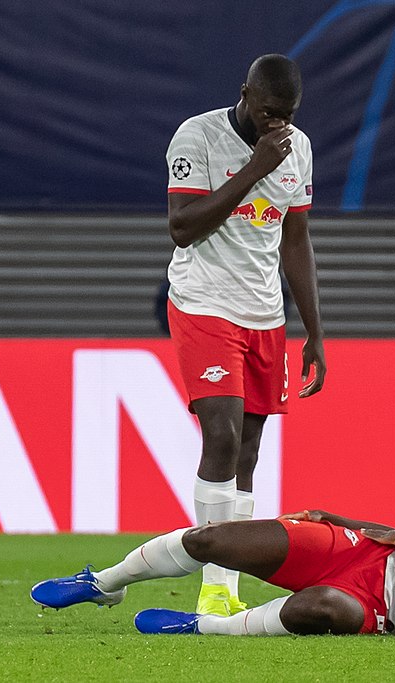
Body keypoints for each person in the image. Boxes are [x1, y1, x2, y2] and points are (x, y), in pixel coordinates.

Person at [163, 53, 326, 617]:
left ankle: (227, 587)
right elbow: (182, 228)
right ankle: (212, 588)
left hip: (265, 315)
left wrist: (314, 332)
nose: (276, 123)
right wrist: (254, 168)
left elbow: (296, 240)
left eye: (287, 114)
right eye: (267, 111)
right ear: (245, 95)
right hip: (203, 303)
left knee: (249, 450)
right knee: (223, 437)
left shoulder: (297, 149)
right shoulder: (198, 137)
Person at [30, 507, 395, 637]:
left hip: (380, 609)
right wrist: (344, 521)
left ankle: (202, 628)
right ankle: (102, 584)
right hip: (360, 551)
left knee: (321, 606)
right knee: (213, 539)